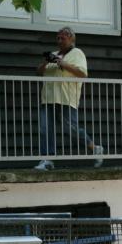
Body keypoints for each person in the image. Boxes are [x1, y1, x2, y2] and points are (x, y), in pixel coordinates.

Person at [36, 26, 104, 170]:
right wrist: (46, 61)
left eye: (63, 38)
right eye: (58, 38)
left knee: (71, 129)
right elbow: (39, 71)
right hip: (48, 98)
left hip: (66, 98)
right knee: (45, 129)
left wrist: (61, 63)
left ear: (71, 39)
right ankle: (47, 160)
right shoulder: (54, 54)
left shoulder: (77, 53)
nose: (59, 40)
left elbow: (82, 73)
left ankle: (94, 148)